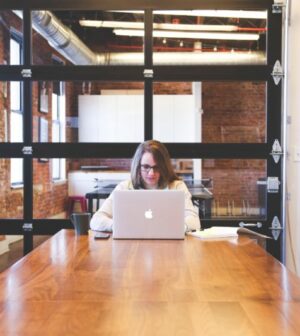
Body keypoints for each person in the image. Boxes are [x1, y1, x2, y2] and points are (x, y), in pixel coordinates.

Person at [90, 140, 200, 232]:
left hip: (169, 247)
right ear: (138, 167)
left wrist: (176, 228)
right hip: (131, 248)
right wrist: (118, 226)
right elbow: (96, 220)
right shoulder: (124, 188)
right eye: (146, 167)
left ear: (164, 167)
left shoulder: (177, 187)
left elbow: (194, 221)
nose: (151, 173)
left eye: (157, 167)